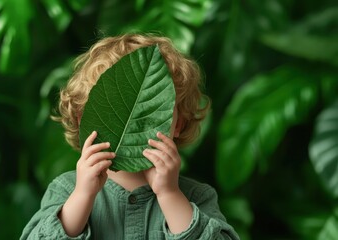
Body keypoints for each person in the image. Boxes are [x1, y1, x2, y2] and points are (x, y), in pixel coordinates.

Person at [20, 34, 239, 240]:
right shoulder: (66, 189)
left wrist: (169, 194)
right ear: (81, 120)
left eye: (152, 112)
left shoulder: (196, 196)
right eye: (110, 110)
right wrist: (83, 195)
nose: (131, 123)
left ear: (178, 125)